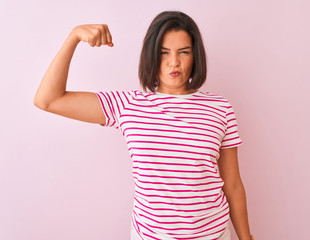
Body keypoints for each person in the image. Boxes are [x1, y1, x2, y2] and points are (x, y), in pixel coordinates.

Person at [34, 10, 254, 240]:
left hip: (214, 235)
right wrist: (74, 37)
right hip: (151, 235)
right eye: (163, 52)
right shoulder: (128, 105)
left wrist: (247, 238)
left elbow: (233, 184)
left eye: (184, 52)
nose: (174, 62)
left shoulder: (220, 108)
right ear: (151, 55)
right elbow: (48, 100)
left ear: (195, 55)